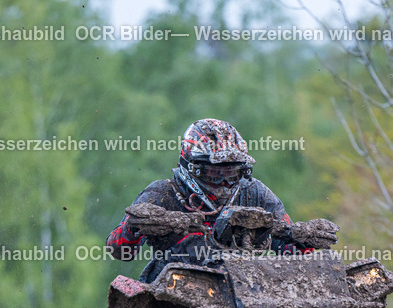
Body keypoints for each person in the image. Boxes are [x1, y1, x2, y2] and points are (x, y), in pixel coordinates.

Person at [106, 118, 320, 280]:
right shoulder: (162, 194)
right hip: (171, 291)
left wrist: (306, 244)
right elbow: (119, 250)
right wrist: (133, 228)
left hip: (246, 284)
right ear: (191, 168)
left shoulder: (255, 193)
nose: (224, 184)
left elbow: (291, 250)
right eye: (213, 174)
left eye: (231, 174)